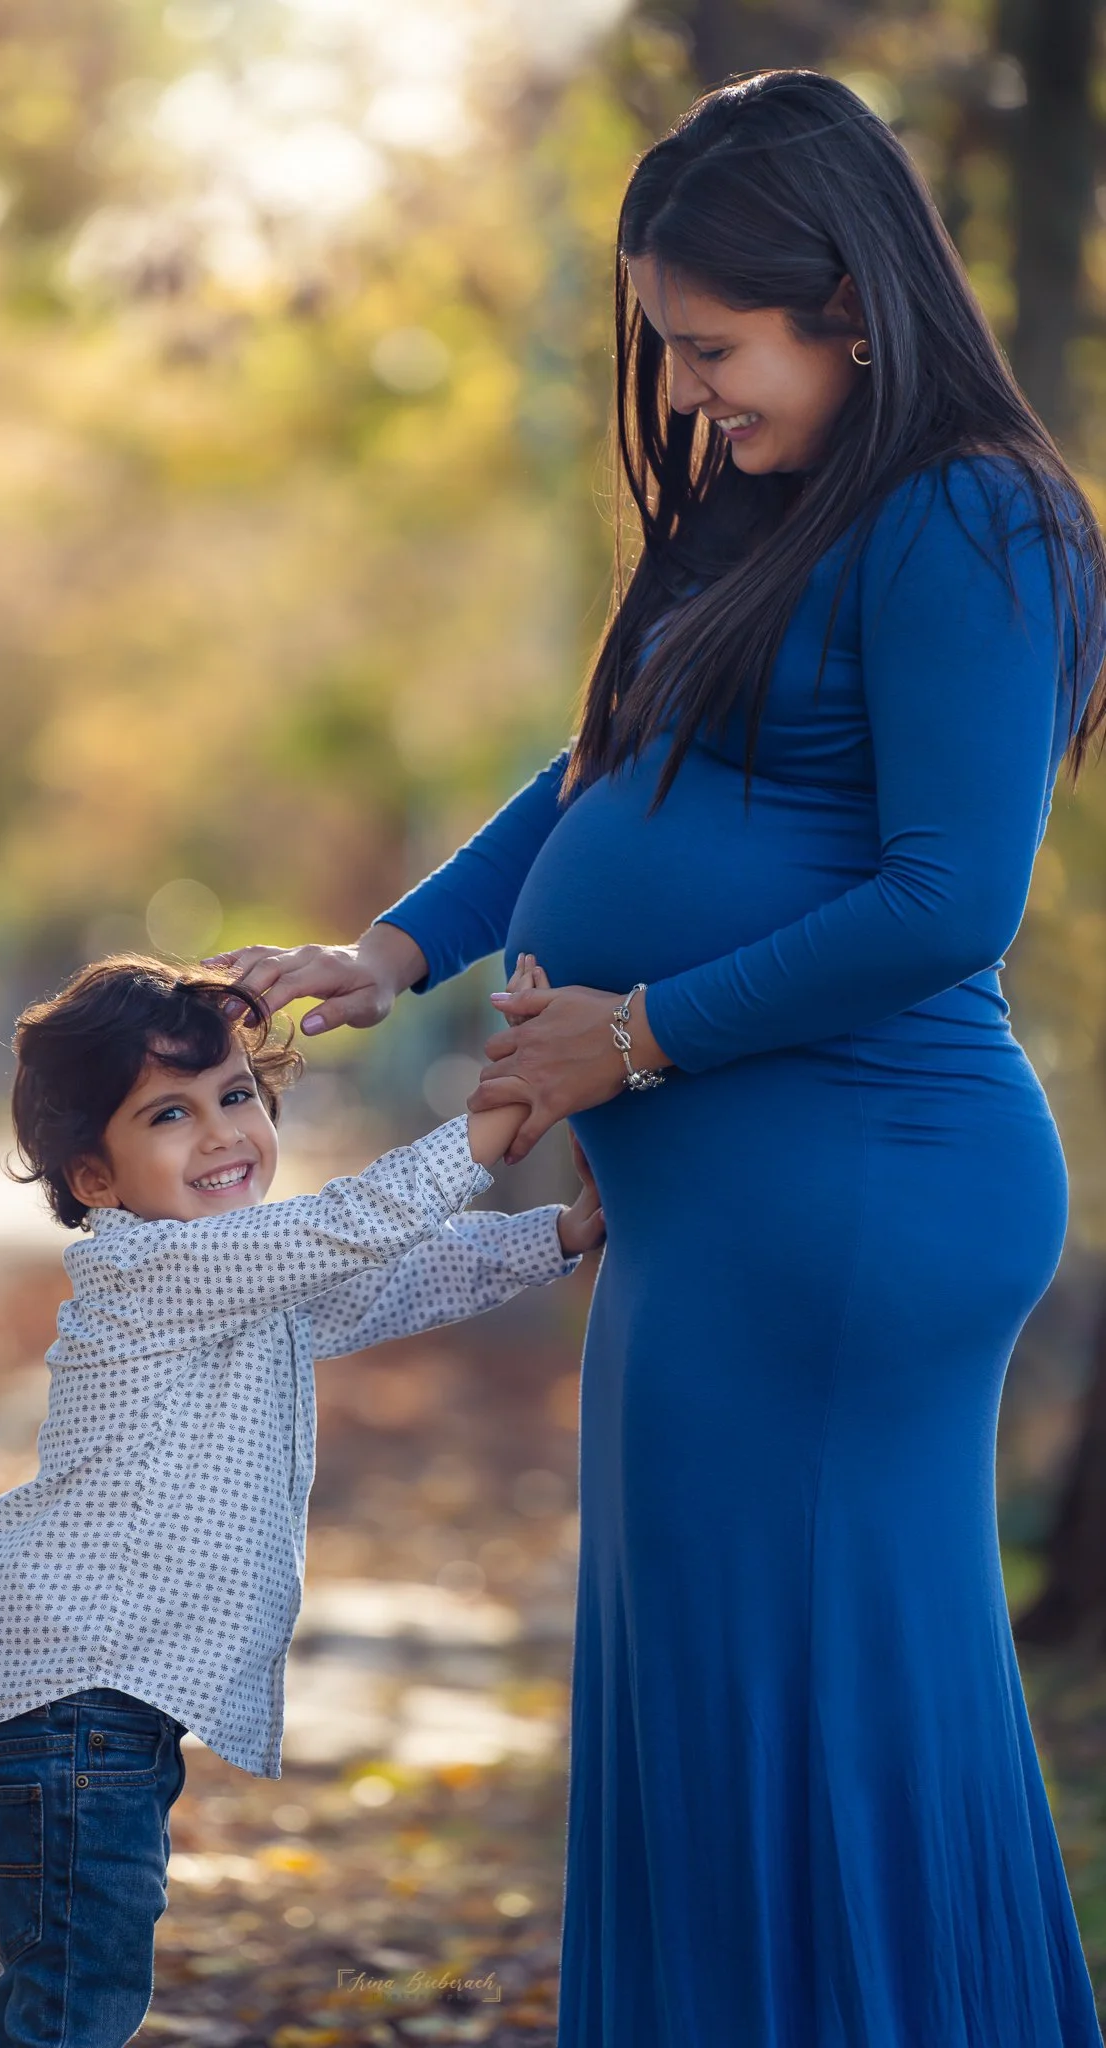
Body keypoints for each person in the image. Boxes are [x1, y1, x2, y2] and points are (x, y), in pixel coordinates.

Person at [210, 68, 1106, 2048]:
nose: (686, 393)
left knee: (809, 1716)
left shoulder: (968, 515)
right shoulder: (767, 514)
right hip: (731, 1213)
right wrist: (393, 951)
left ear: (848, 307)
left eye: (713, 348)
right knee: (712, 1710)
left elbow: (948, 899)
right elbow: (599, 771)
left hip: (863, 1187)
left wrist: (635, 1034)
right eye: (667, 351)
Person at [0, 952, 604, 2048]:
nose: (222, 1134)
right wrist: (498, 1118)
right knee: (73, 2005)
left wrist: (555, 1236)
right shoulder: (156, 1270)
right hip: (77, 1700)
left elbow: (397, 1277)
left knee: (77, 1990)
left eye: (236, 1095)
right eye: (170, 1113)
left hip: (97, 1708)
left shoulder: (240, 1279)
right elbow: (353, 1223)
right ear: (96, 1177)